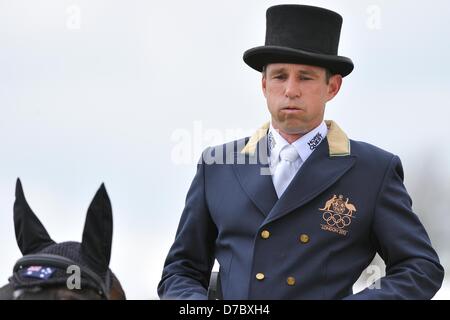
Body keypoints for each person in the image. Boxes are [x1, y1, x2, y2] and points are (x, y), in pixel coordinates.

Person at [158, 4, 444, 299]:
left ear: (332, 87)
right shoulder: (217, 166)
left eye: (305, 77)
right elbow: (181, 271)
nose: (291, 90)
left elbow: (420, 266)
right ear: (264, 84)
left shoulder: (373, 171)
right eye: (280, 76)